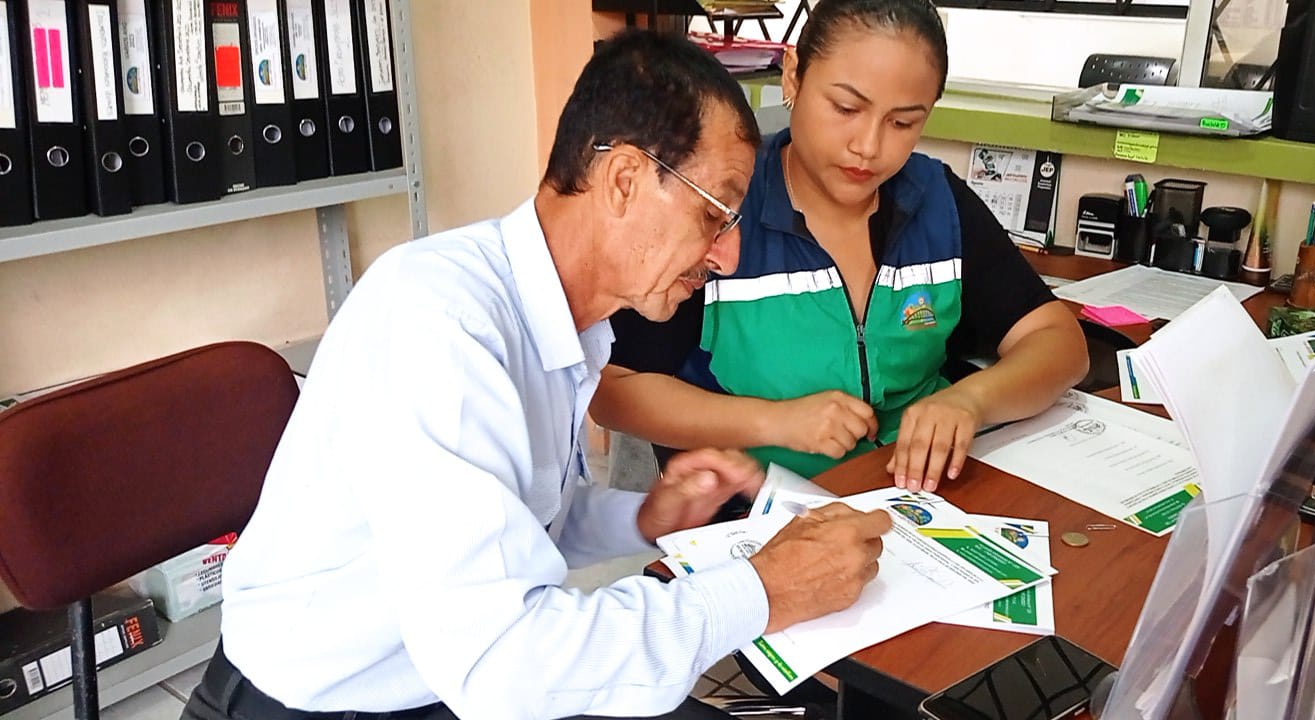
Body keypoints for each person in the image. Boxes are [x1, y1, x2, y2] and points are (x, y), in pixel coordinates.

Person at [181, 31, 891, 720]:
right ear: (624, 180)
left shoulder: (566, 323)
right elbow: (504, 666)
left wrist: (644, 519)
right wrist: (763, 591)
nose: (727, 256)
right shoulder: (441, 324)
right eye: (716, 214)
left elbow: (515, 519)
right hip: (323, 703)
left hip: (437, 676)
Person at [593, 0, 1089, 491]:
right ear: (793, 76)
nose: (868, 146)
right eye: (846, 108)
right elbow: (614, 390)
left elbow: (1057, 340)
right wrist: (775, 422)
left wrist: (971, 401)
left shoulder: (938, 203)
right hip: (760, 509)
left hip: (917, 499)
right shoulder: (721, 206)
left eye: (903, 122)